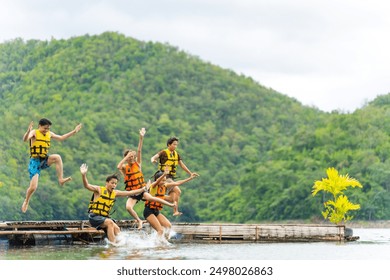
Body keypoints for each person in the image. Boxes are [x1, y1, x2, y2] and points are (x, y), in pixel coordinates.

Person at [117, 128, 177, 230]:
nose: (132, 159)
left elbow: (139, 150)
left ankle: (171, 205)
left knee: (152, 198)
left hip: (141, 190)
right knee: (128, 207)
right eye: (129, 158)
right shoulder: (124, 168)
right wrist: (126, 157)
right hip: (132, 192)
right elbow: (119, 166)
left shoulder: (138, 164)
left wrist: (141, 137)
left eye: (133, 157)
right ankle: (139, 220)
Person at [21, 118, 82, 213]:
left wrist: (74, 131)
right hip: (35, 162)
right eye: (45, 128)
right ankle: (26, 201)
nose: (46, 130)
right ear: (39, 126)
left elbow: (61, 138)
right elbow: (25, 139)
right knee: (33, 187)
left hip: (44, 159)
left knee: (57, 157)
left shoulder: (49, 134)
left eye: (48, 128)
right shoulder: (34, 132)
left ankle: (61, 179)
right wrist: (28, 130)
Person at [80, 163, 147, 244]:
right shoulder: (99, 190)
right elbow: (86, 185)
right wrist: (83, 175)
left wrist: (143, 189)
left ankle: (122, 244)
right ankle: (113, 245)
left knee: (117, 229)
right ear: (107, 183)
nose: (114, 185)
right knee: (110, 223)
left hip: (104, 217)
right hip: (95, 217)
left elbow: (130, 192)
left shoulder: (115, 193)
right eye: (112, 183)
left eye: (115, 183)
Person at [144, 167, 198, 240]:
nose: (164, 182)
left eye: (165, 180)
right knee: (160, 230)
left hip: (156, 211)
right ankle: (156, 245)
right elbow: (157, 182)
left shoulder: (164, 185)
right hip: (148, 211)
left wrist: (190, 178)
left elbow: (178, 183)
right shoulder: (153, 186)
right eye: (162, 180)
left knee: (168, 226)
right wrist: (164, 174)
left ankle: (165, 242)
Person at [150, 136, 199, 215]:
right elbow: (154, 157)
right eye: (174, 144)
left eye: (176, 145)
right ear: (169, 145)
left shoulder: (176, 154)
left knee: (172, 199)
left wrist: (190, 173)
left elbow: (182, 165)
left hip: (171, 177)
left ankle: (157, 197)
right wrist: (153, 160)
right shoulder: (163, 152)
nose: (175, 146)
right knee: (178, 191)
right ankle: (175, 211)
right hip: (163, 176)